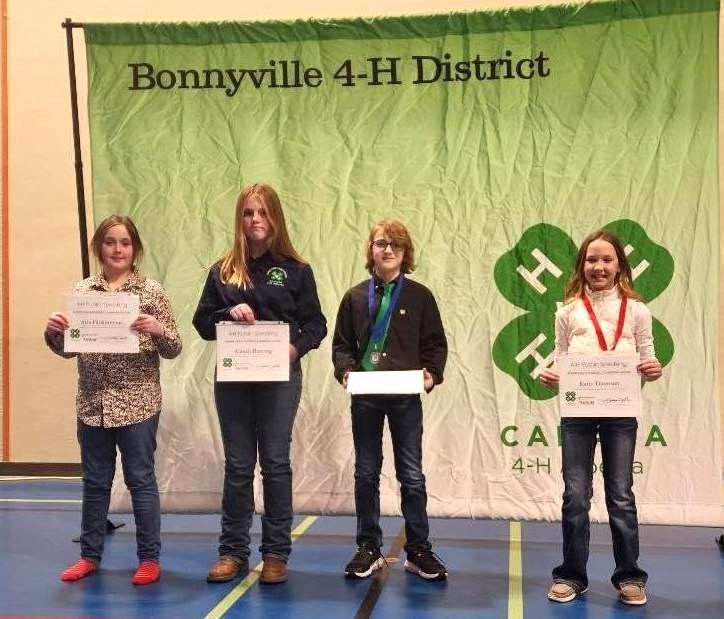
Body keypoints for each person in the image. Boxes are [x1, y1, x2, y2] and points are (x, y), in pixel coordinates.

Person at [193, 183, 326, 585]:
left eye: (263, 213)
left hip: (279, 380)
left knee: (275, 465)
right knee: (237, 467)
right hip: (234, 378)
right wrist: (226, 312)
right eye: (249, 213)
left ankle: (275, 554)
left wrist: (295, 348)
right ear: (240, 219)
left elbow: (316, 324)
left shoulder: (297, 269)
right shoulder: (222, 270)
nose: (255, 220)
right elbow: (201, 324)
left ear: (275, 219)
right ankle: (232, 552)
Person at [45, 215, 182, 585]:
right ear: (99, 247)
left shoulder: (150, 291)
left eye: (124, 242)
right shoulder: (83, 292)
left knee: (141, 480)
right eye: (110, 242)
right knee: (94, 482)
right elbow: (67, 349)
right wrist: (55, 333)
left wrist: (158, 329)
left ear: (135, 248)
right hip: (92, 404)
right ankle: (89, 556)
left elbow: (174, 347)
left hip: (137, 403)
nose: (118, 249)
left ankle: (149, 559)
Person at [539, 230, 662, 606]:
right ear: (582, 265)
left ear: (619, 266)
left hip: (620, 412)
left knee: (620, 496)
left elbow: (647, 355)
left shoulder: (638, 310)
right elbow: (560, 355)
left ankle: (630, 577)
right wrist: (553, 372)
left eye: (607, 260)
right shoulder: (568, 310)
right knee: (575, 495)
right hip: (578, 412)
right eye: (592, 260)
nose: (599, 267)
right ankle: (571, 576)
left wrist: (652, 368)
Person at [332, 219, 448, 581]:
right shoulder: (353, 297)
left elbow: (435, 343)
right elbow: (340, 345)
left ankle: (418, 549)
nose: (387, 250)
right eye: (381, 243)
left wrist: (431, 373)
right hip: (366, 396)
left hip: (405, 397)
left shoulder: (420, 296)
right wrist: (346, 370)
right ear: (371, 249)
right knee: (365, 472)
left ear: (405, 253)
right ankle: (368, 548)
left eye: (395, 245)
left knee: (411, 474)